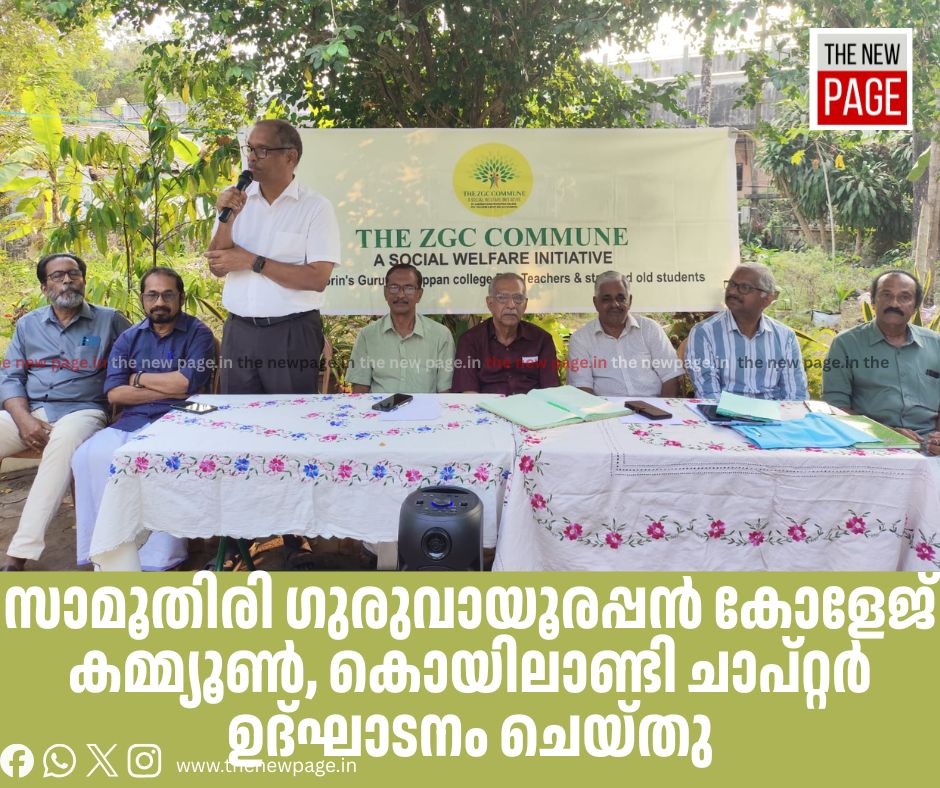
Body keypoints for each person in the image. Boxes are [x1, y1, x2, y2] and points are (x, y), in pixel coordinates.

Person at [71, 267, 216, 571]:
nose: (159, 302)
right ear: (142, 299)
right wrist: (167, 387)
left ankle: (161, 557)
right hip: (134, 418)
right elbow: (114, 393)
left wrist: (137, 378)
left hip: (185, 415)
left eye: (167, 294)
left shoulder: (198, 333)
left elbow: (187, 384)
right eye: (152, 295)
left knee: (160, 457)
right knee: (88, 455)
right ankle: (105, 549)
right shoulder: (129, 338)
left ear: (181, 298)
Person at [1, 253, 131, 571]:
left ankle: (18, 553)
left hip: (82, 411)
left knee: (64, 444)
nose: (67, 281)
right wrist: (23, 419)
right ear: (44, 287)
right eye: (57, 276)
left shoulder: (110, 320)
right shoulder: (28, 325)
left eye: (73, 274)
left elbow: (140, 354)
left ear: (84, 280)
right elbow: (10, 377)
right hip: (31, 411)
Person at [206, 118, 341, 395]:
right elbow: (217, 266)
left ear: (290, 156)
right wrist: (226, 218)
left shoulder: (315, 208)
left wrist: (253, 261)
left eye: (262, 150)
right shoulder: (237, 199)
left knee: (290, 416)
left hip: (290, 334)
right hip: (239, 332)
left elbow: (317, 278)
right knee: (238, 415)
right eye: (250, 148)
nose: (252, 157)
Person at [824, 269, 940, 446]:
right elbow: (835, 408)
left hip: (929, 445)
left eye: (904, 297)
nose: (894, 303)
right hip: (872, 443)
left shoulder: (936, 344)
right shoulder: (845, 344)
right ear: (873, 301)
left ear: (915, 306)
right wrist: (885, 433)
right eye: (886, 295)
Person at [686, 263, 807, 400]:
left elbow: (795, 394)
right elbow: (709, 395)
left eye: (744, 287)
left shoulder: (785, 337)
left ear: (767, 299)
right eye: (731, 284)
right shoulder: (704, 333)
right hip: (723, 412)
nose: (732, 292)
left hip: (773, 412)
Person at [568, 270, 682, 397]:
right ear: (596, 303)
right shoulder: (581, 339)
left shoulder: (650, 329)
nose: (615, 304)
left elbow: (671, 377)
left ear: (630, 301)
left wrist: (662, 408)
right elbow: (582, 389)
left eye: (621, 298)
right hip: (606, 408)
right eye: (606, 299)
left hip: (654, 406)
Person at [347, 264, 454, 394]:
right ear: (385, 292)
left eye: (409, 288)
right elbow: (359, 390)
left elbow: (445, 392)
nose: (401, 295)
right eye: (394, 287)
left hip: (425, 407)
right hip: (381, 407)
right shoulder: (367, 335)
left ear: (419, 294)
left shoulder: (441, 335)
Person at [452, 273, 559, 395]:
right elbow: (468, 393)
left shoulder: (541, 340)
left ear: (525, 304)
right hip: (485, 406)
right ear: (490, 303)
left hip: (531, 405)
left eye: (518, 298)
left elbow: (551, 391)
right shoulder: (470, 340)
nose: (511, 305)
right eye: (502, 298)